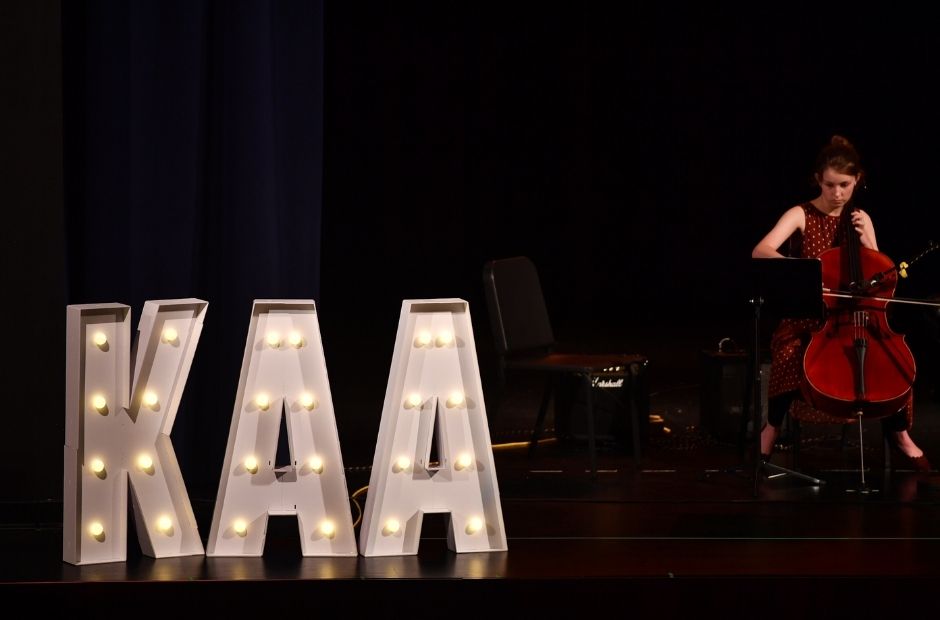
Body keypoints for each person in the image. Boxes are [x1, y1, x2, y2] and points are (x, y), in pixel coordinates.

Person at [751, 135, 931, 472]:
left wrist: (869, 242)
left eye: (845, 185)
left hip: (858, 318)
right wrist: (804, 274)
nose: (837, 194)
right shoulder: (800, 214)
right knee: (789, 355)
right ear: (818, 179)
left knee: (892, 363)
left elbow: (883, 279)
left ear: (857, 181)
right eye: (831, 185)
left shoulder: (860, 217)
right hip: (809, 318)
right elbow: (761, 251)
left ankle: (901, 435)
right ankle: (770, 430)